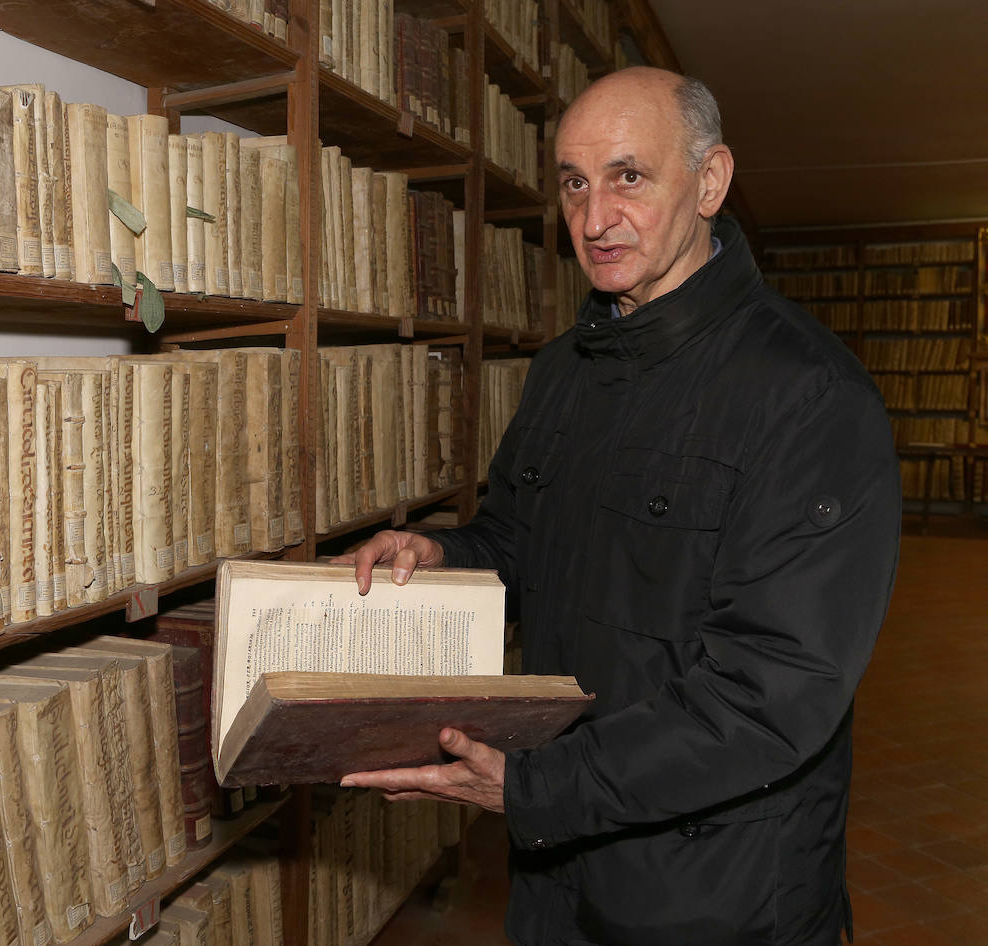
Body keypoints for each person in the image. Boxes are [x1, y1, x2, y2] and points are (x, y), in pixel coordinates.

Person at [337, 67, 901, 946]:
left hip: (717, 891)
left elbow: (771, 695)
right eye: (574, 182)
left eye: (628, 176)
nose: (594, 219)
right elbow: (520, 542)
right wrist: (443, 555)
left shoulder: (809, 397)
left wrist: (536, 789)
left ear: (709, 182)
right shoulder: (566, 370)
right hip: (560, 870)